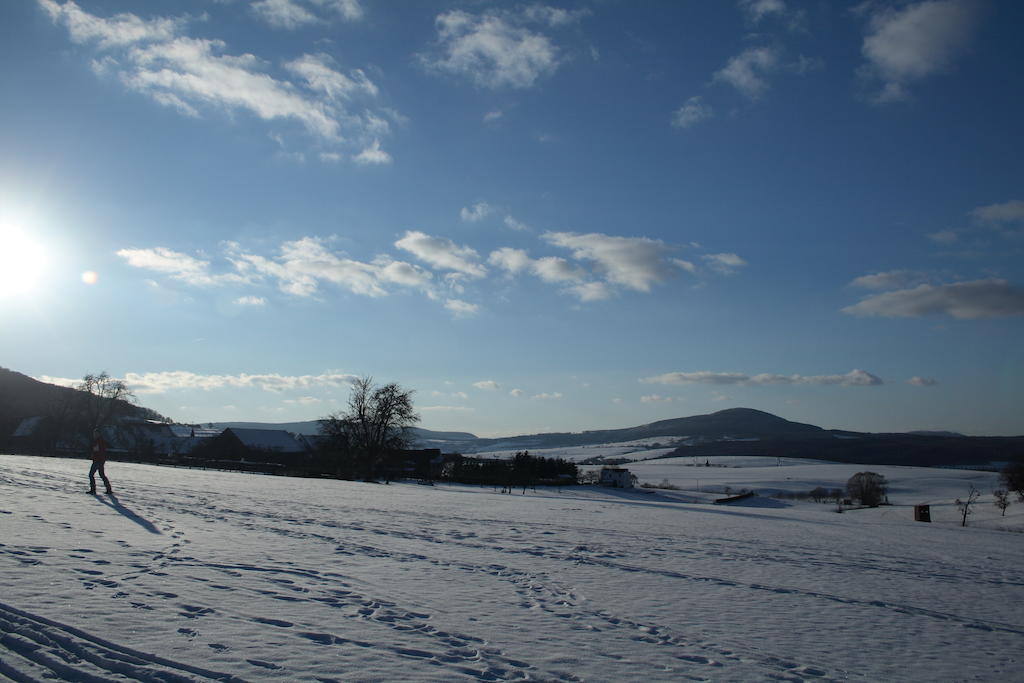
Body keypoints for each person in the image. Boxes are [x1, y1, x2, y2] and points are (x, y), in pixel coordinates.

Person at [88, 429, 113, 494]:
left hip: (98, 460)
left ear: (99, 434)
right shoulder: (99, 441)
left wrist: (94, 454)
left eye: (96, 434)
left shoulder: (99, 441)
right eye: (94, 434)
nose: (94, 435)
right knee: (102, 475)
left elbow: (98, 451)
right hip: (100, 460)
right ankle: (109, 489)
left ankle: (93, 490)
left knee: (91, 475)